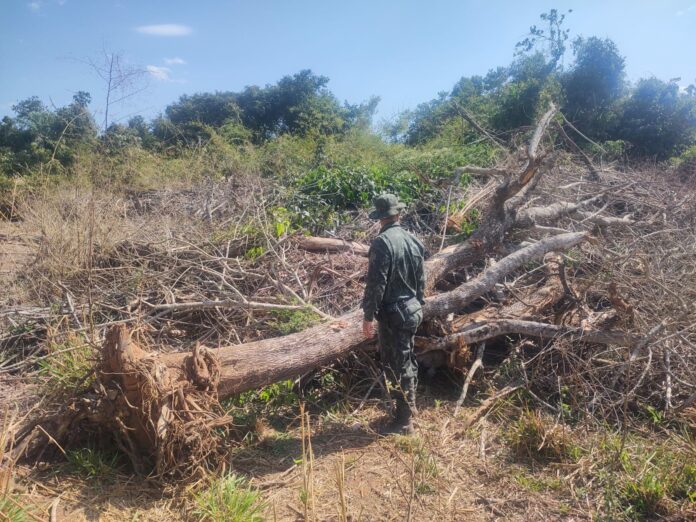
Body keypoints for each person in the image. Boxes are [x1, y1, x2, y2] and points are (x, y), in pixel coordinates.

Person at [362, 194, 426, 435]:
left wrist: (368, 316)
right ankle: (407, 411)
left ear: (380, 217)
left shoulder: (382, 243)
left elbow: (376, 284)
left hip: (394, 315)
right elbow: (421, 281)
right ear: (398, 213)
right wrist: (418, 304)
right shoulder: (413, 241)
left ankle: (404, 422)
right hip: (412, 310)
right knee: (407, 360)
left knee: (398, 365)